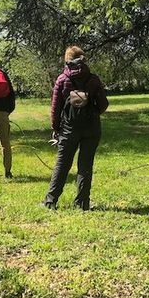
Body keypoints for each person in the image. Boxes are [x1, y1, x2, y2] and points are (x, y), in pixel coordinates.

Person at [43, 46, 109, 210]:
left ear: (67, 60)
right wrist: (92, 113)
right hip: (91, 128)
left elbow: (55, 108)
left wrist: (56, 128)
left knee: (62, 164)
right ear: (83, 60)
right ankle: (82, 203)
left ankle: (51, 201)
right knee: (85, 165)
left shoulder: (62, 79)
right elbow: (103, 104)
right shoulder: (93, 79)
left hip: (69, 128)